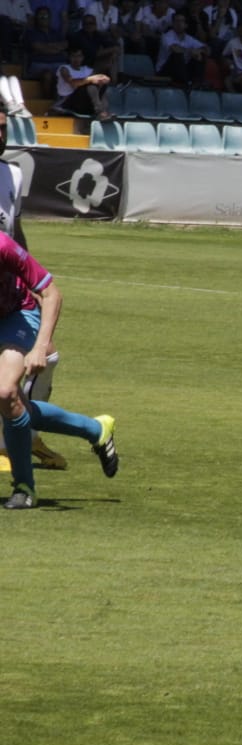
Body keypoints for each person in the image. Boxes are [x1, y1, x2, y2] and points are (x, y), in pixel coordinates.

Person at [0, 231, 118, 509]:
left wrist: (40, 347)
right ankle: (95, 429)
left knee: (5, 392)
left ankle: (24, 487)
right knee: (17, 406)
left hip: (17, 315)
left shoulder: (3, 245)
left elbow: (51, 293)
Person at [0, 108, 67, 474]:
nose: (0, 135)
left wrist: (31, 286)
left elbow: (15, 234)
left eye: (2, 129)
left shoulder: (12, 173)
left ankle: (22, 435)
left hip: (9, 291)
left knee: (46, 356)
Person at [53, 46, 111, 119]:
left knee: (101, 84)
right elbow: (73, 83)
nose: (76, 59)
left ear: (83, 57)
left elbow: (97, 80)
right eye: (73, 56)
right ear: (69, 57)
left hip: (84, 103)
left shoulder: (87, 70)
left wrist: (103, 78)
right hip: (67, 102)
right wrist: (90, 79)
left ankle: (104, 111)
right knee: (90, 85)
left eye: (79, 56)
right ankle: (100, 112)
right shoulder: (64, 69)